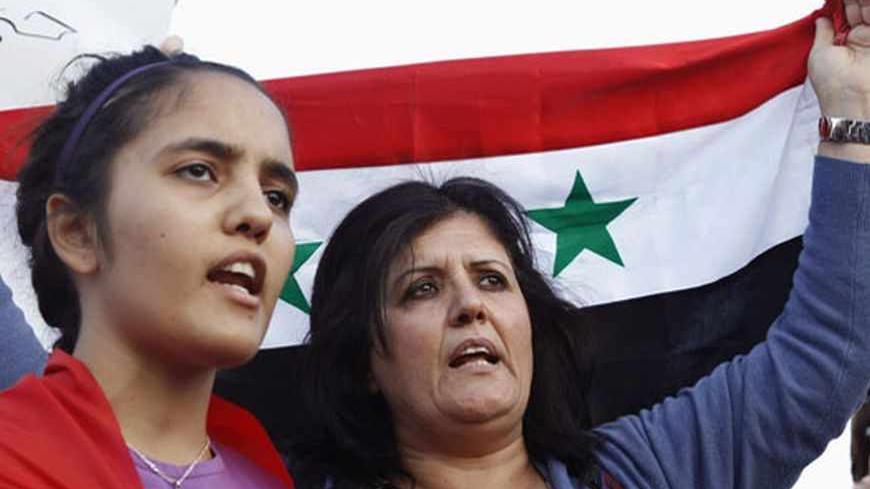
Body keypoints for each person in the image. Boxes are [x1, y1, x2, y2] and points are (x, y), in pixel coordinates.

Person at [288, 12, 870, 489]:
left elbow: (824, 354)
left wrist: (851, 112)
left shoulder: (644, 470)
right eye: (422, 288)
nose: (470, 306)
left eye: (492, 279)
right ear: (364, 360)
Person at [0, 44, 297, 488]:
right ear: (77, 232)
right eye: (198, 171)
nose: (258, 215)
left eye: (277, 197)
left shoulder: (271, 475)